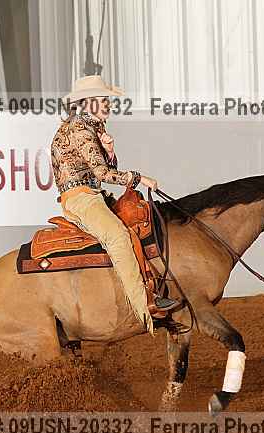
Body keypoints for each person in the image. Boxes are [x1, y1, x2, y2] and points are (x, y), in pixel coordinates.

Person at [51, 75, 178, 335]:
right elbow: (103, 174)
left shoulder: (87, 128)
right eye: (103, 99)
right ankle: (144, 306)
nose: (108, 104)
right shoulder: (80, 131)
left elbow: (102, 169)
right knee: (118, 236)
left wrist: (109, 151)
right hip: (81, 199)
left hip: (89, 195)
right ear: (87, 102)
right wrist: (140, 178)